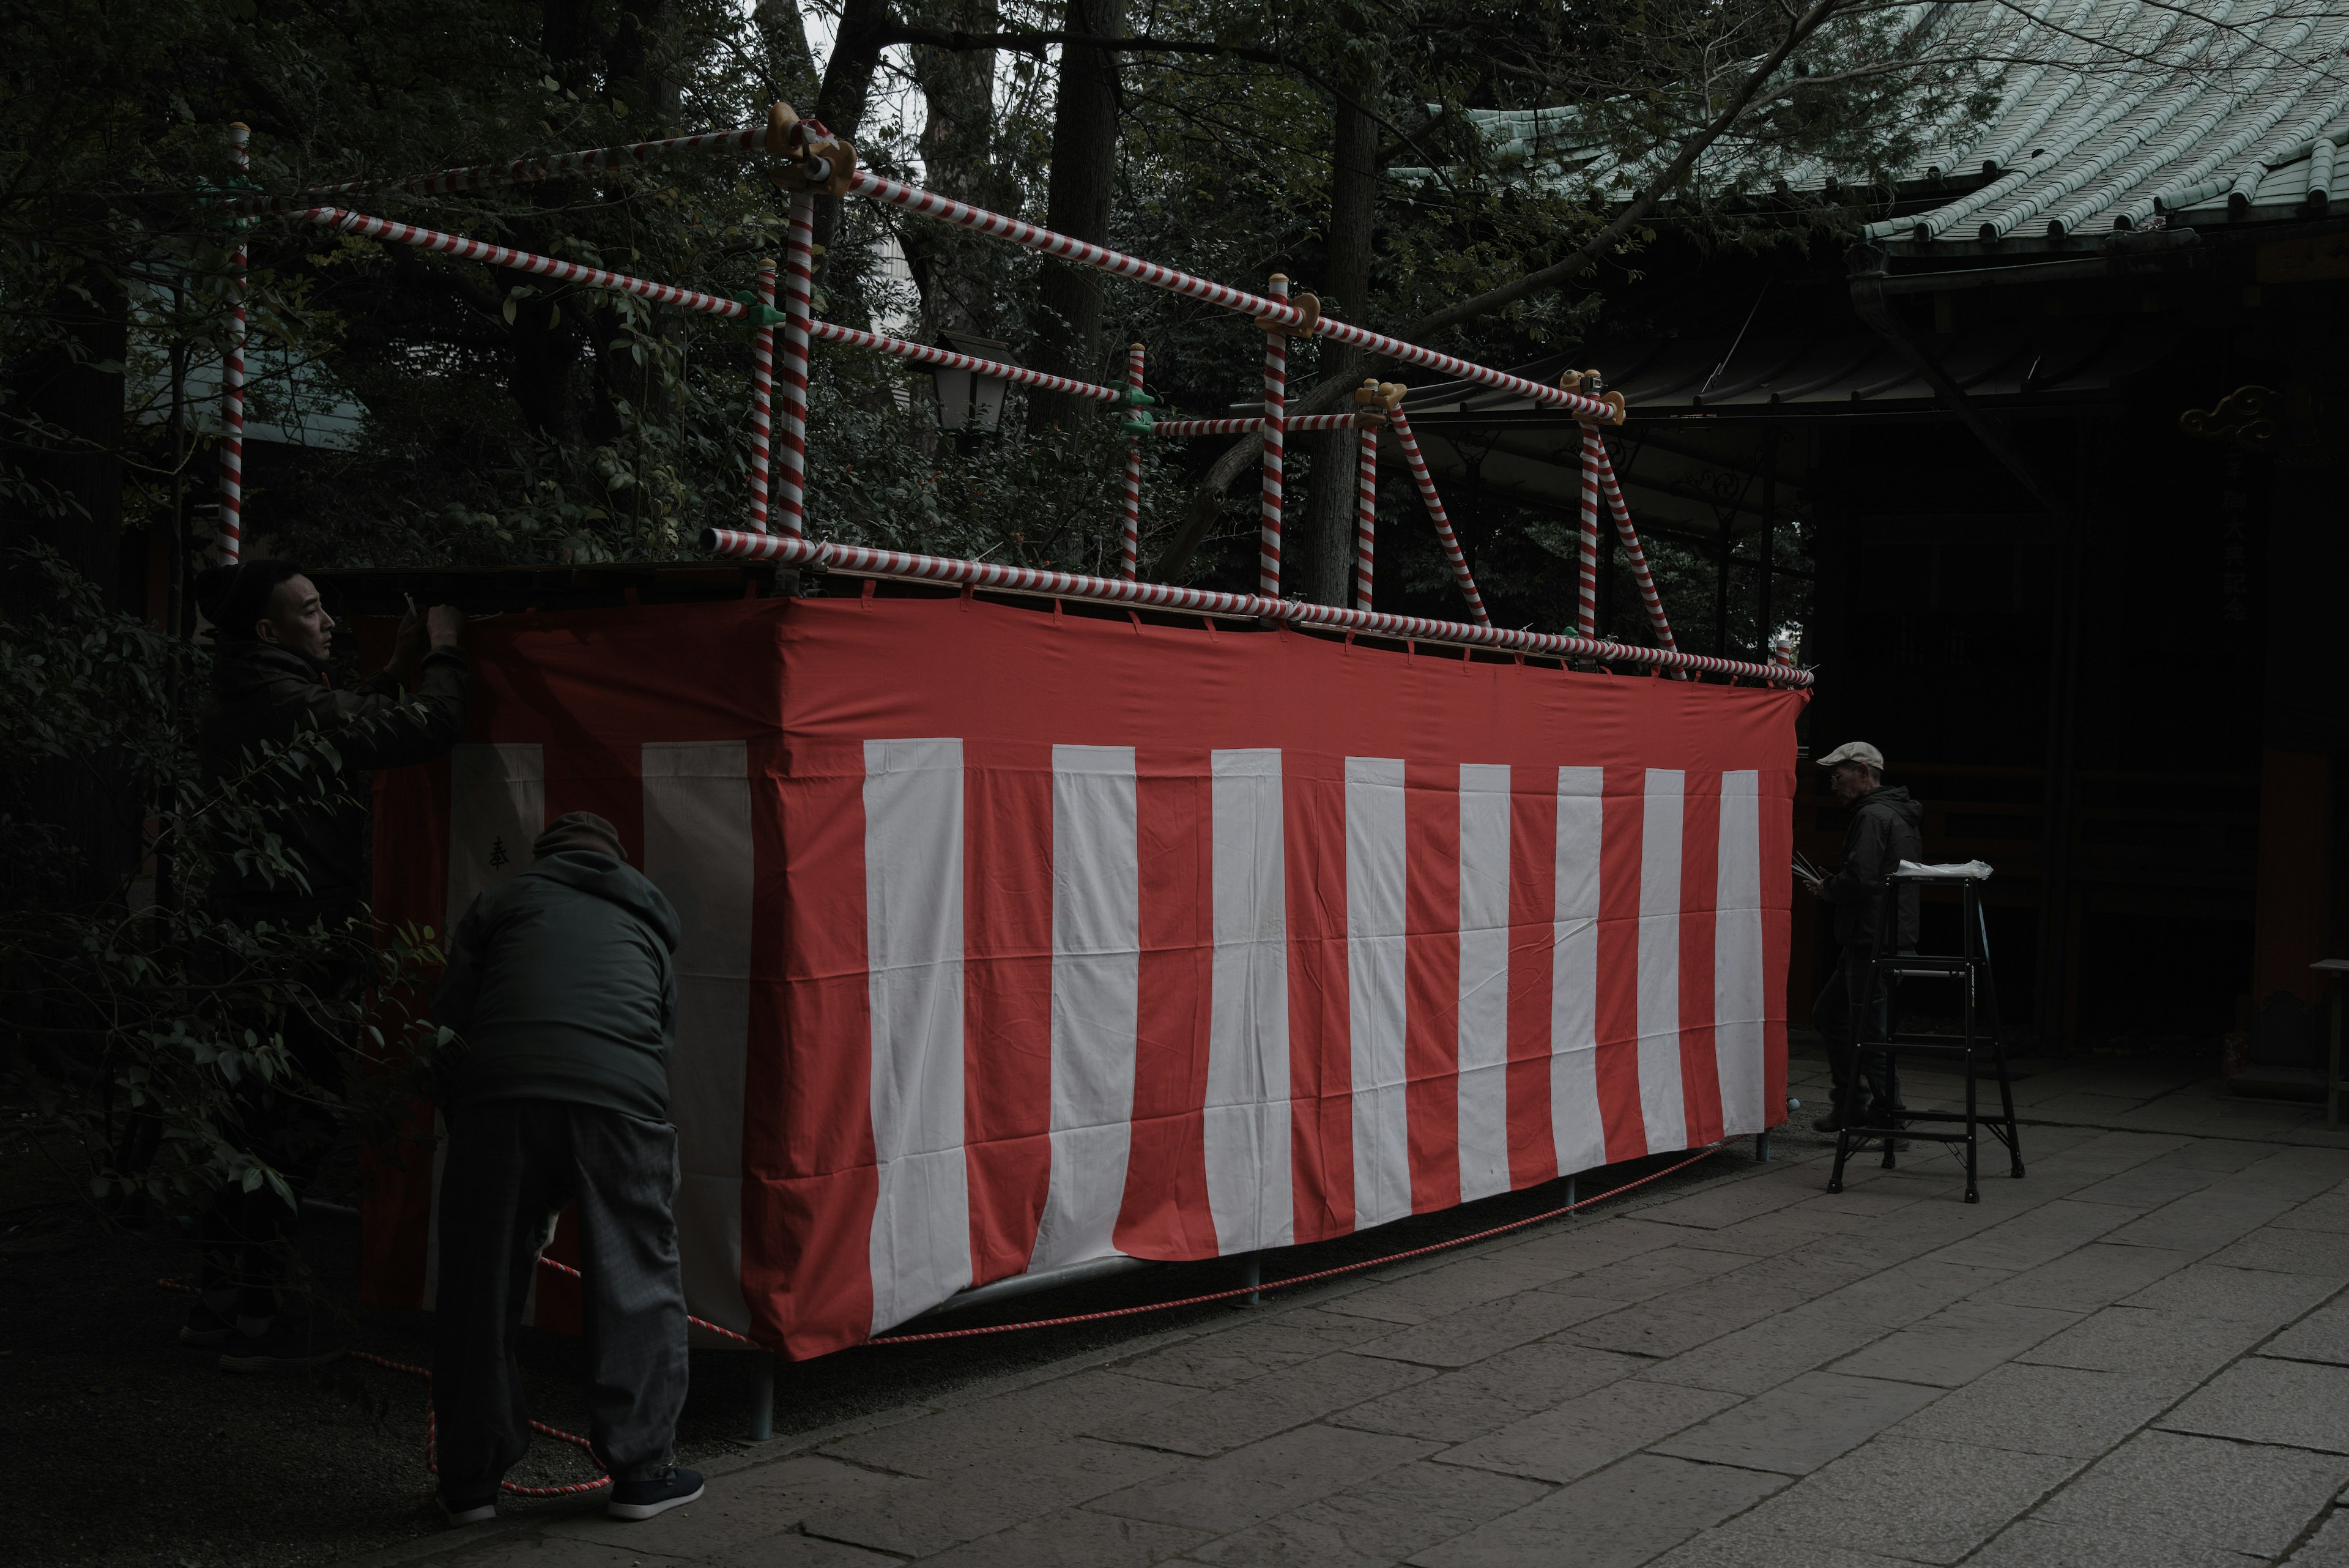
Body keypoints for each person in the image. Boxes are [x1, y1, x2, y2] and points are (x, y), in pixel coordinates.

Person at [188, 560, 469, 1371]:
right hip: (292, 944)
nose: (329, 622)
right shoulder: (277, 700)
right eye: (311, 613)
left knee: (242, 1117)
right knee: (287, 1120)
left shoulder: (247, 689)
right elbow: (420, 731)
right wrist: (447, 651)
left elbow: (338, 725)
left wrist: (391, 667)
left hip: (244, 941)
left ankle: (219, 1303)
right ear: (271, 632)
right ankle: (255, 1313)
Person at [429, 811, 702, 1526]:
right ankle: (644, 1474)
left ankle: (470, 1485)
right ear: (615, 858)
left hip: (500, 1094)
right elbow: (656, 1037)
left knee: (478, 1284)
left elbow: (450, 1024)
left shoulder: (502, 901)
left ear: (545, 856)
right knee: (637, 1280)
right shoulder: (649, 919)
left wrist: (476, 1137)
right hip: (619, 1100)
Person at [1800, 741, 1924, 1134]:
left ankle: (1891, 1121)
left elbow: (1861, 879)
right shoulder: (1892, 812)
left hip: (1874, 939)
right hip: (1876, 936)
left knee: (1870, 1034)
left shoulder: (1873, 816)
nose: (1834, 785)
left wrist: (1827, 888)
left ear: (1864, 773)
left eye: (1839, 776)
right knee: (1831, 1014)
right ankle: (1852, 1106)